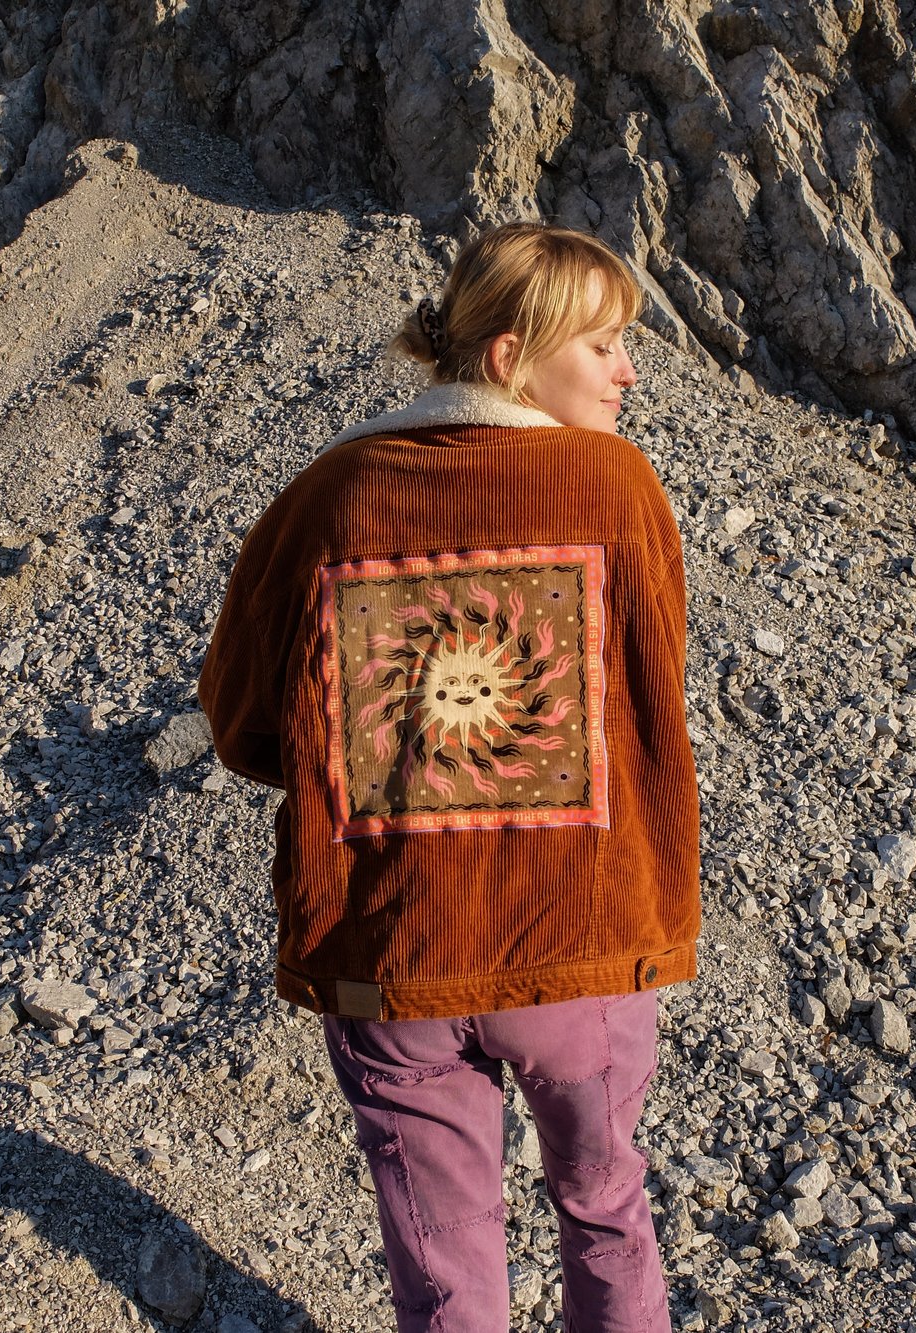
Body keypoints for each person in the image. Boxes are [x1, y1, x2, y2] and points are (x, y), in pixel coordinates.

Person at [198, 221, 700, 1333]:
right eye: (606, 344)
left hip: (396, 943)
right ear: (513, 357)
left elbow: (240, 721)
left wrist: (372, 773)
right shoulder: (616, 485)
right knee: (607, 1208)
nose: (628, 371)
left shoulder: (329, 492)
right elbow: (652, 696)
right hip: (582, 940)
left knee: (440, 1248)